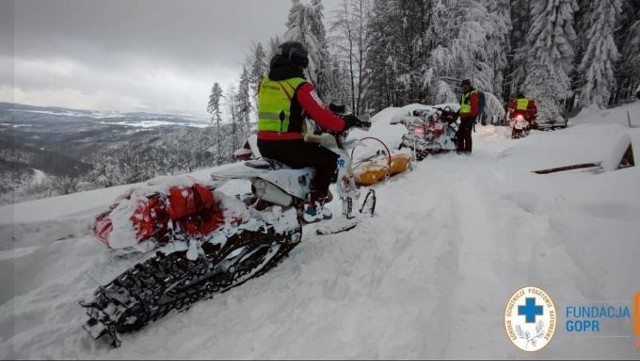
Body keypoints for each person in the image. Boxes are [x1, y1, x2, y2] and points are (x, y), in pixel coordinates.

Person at [256, 40, 358, 223]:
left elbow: (285, 108)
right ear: (299, 61)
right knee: (328, 160)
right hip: (288, 145)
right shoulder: (299, 85)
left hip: (264, 144)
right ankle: (315, 205)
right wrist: (346, 121)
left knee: (309, 152)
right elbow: (328, 121)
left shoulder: (264, 83)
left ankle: (295, 200)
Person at [457, 79, 479, 154]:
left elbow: (475, 108)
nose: (463, 87)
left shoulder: (472, 93)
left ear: (468, 85)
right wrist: (458, 113)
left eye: (465, 85)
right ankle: (460, 150)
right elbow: (463, 106)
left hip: (469, 117)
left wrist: (471, 119)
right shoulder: (464, 94)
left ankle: (467, 152)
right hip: (463, 118)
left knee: (467, 135)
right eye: (463, 86)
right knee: (460, 134)